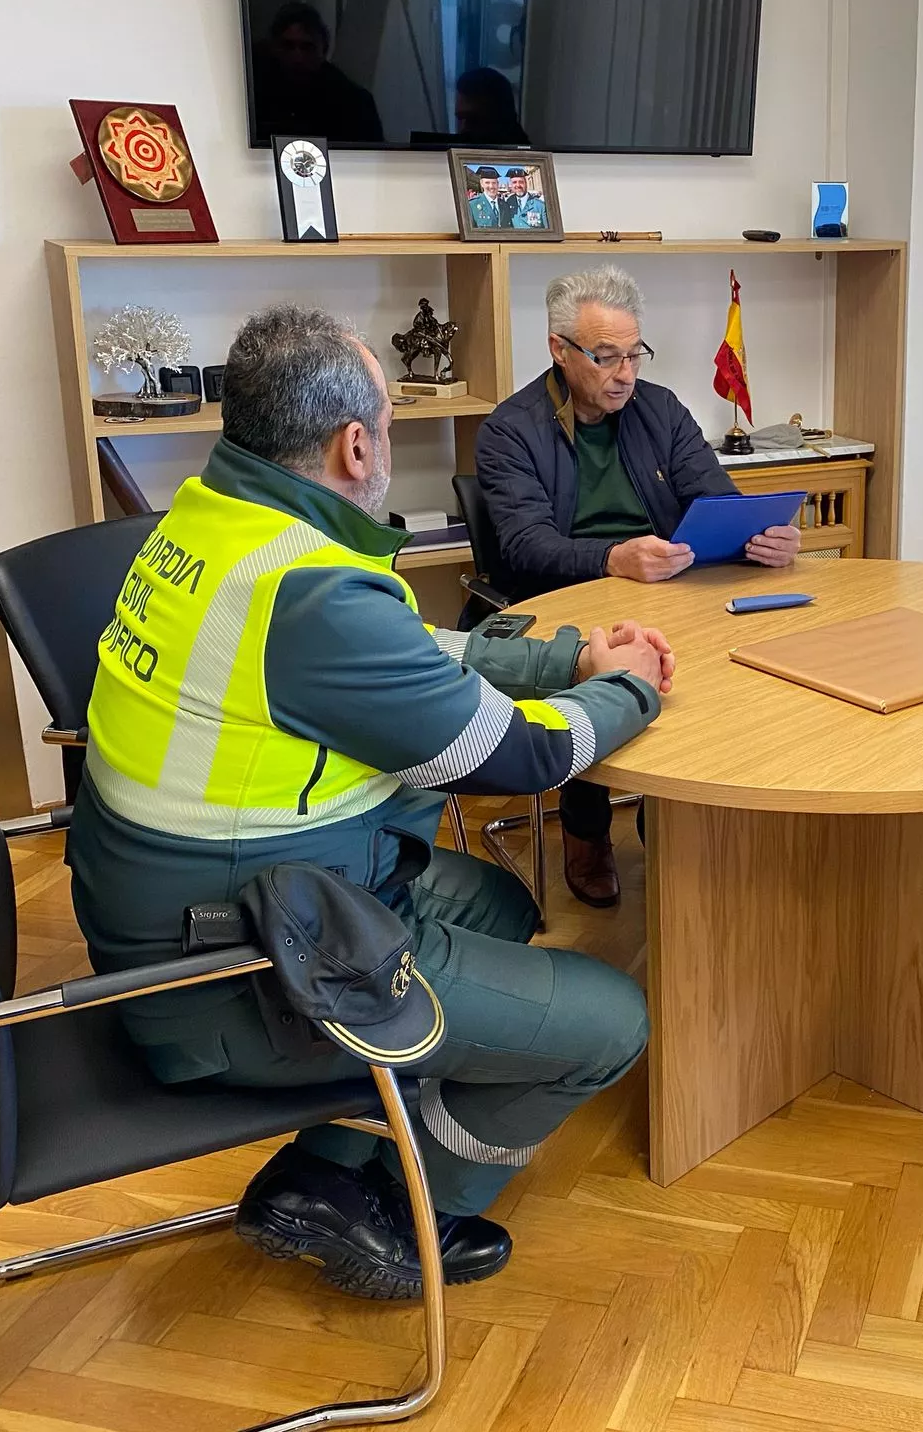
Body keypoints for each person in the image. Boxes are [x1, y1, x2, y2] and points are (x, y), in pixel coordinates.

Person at [68, 304, 674, 1300]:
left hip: (192, 905)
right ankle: (402, 1213)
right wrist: (627, 691)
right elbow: (512, 754)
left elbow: (401, 655)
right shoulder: (308, 593)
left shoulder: (218, 521)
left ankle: (331, 1159)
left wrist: (565, 654)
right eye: (388, 424)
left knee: (501, 907)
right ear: (356, 445)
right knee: (609, 1020)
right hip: (232, 968)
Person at [473, 265, 801, 906]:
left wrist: (761, 537)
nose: (626, 373)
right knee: (601, 664)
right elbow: (524, 546)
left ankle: (678, 817)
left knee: (735, 663)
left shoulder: (660, 409)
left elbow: (715, 498)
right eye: (606, 357)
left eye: (634, 354)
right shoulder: (511, 430)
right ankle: (586, 829)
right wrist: (614, 558)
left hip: (666, 586)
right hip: (561, 597)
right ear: (558, 351)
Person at [252, 2, 385, 144]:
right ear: (274, 49)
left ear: (324, 50)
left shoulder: (354, 103)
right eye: (288, 46)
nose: (297, 57)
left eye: (307, 47)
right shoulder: (254, 96)